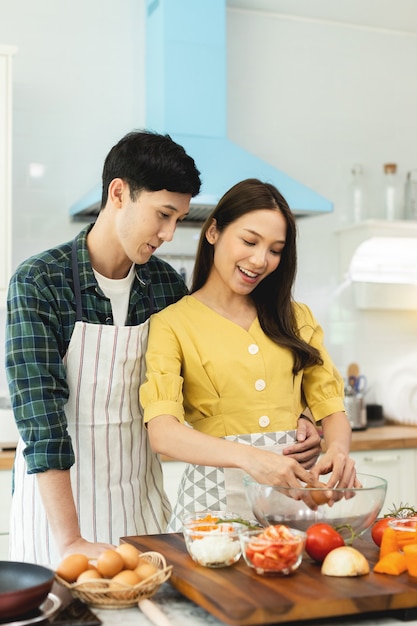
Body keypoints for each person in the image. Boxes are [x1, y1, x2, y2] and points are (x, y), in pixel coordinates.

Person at [5, 129, 203, 566]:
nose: (169, 233)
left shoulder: (167, 285)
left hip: (139, 508)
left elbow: (196, 387)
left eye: (178, 220)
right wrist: (71, 539)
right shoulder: (41, 281)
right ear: (119, 193)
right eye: (163, 214)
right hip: (56, 521)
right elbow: (41, 417)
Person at [140, 178, 357, 530]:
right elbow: (164, 433)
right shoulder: (172, 323)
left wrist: (337, 450)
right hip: (211, 508)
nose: (260, 260)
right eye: (249, 241)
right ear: (213, 232)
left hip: (289, 505)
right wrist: (251, 459)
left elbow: (331, 408)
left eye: (275, 250)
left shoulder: (296, 317)